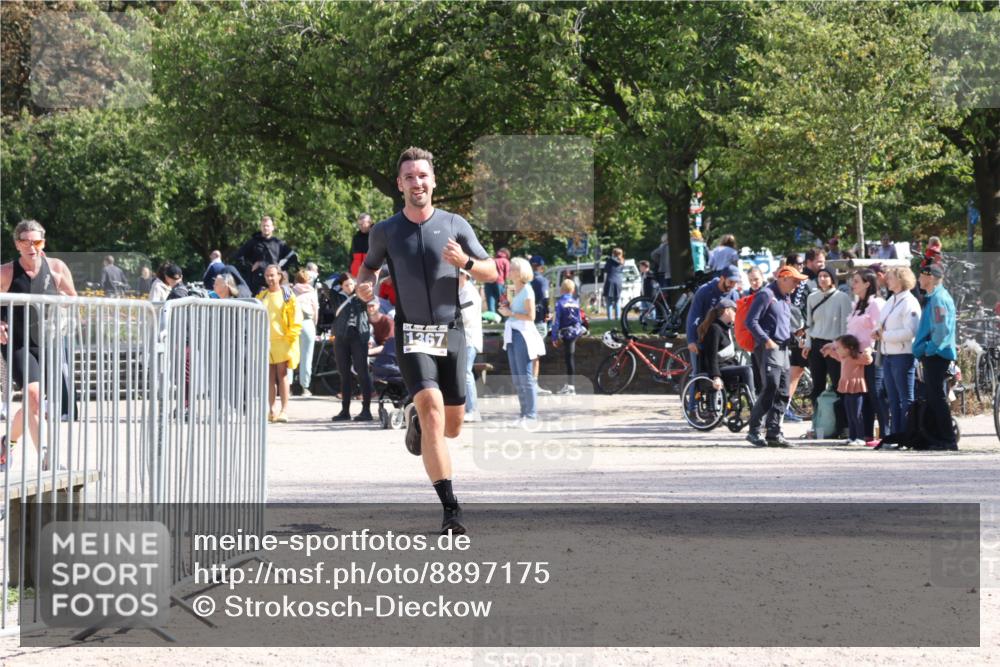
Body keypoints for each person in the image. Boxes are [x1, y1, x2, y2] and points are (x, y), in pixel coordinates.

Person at [356, 146, 498, 535]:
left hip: (451, 331)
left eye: (422, 175)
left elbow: (491, 272)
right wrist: (365, 287)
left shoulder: (455, 224)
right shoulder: (386, 231)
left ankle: (416, 419)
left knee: (452, 427)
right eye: (409, 177)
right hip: (412, 333)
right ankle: (451, 509)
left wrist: (466, 263)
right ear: (400, 184)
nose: (417, 182)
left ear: (433, 181)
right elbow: (368, 270)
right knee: (434, 411)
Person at [0, 220, 77, 471]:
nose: (31, 247)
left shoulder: (56, 268)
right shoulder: (6, 272)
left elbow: (73, 298)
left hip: (47, 342)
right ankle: (47, 458)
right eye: (25, 242)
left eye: (37, 241)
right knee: (33, 396)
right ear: (17, 244)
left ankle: (7, 442)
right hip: (17, 343)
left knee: (33, 403)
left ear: (43, 242)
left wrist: (62, 304)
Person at [744, 264, 808, 447]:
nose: (797, 285)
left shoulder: (785, 297)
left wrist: (794, 337)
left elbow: (780, 324)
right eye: (795, 281)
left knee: (783, 392)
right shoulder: (766, 294)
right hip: (769, 349)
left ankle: (773, 433)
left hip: (783, 348)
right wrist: (766, 340)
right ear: (784, 278)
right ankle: (754, 431)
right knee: (770, 388)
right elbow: (751, 321)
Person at [912, 264, 957, 450]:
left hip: (936, 356)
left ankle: (948, 440)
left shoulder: (938, 299)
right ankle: (937, 437)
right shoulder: (934, 297)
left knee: (937, 398)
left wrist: (928, 349)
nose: (918, 279)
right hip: (934, 354)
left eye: (921, 276)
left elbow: (941, 330)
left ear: (929, 277)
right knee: (933, 397)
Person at [803, 268, 852, 438]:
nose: (822, 279)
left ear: (832, 278)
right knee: (817, 385)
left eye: (826, 276)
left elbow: (845, 325)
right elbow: (809, 323)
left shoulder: (842, 297)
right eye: (820, 276)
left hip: (834, 344)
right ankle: (818, 424)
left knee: (838, 384)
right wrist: (808, 343)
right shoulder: (812, 297)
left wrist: (840, 346)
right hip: (816, 343)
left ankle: (843, 426)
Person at [839, 271, 887, 442]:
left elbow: (879, 328)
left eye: (857, 281)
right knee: (864, 395)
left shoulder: (876, 303)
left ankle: (886, 434)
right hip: (856, 357)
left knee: (876, 394)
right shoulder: (857, 304)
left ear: (867, 284)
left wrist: (871, 347)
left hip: (871, 355)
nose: (853, 284)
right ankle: (866, 434)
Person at [873, 266, 921, 438]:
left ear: (901, 280)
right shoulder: (891, 300)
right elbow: (883, 323)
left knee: (905, 398)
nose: (887, 280)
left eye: (891, 277)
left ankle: (908, 434)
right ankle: (896, 435)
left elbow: (911, 331)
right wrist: (877, 331)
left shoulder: (909, 302)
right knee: (893, 399)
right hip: (888, 355)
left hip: (903, 355)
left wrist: (884, 336)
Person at [500, 257, 546, 425]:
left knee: (525, 376)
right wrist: (504, 308)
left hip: (523, 334)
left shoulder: (527, 290)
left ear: (521, 273)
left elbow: (531, 316)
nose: (510, 271)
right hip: (511, 332)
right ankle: (523, 414)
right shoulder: (511, 288)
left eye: (513, 269)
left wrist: (510, 313)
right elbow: (509, 308)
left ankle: (531, 415)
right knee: (517, 378)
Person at [257, 264, 301, 424]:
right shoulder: (262, 295)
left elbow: (296, 316)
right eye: (267, 275)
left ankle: (284, 409)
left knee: (282, 374)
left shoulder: (287, 294)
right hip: (266, 340)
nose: (270, 278)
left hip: (283, 339)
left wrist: (291, 337)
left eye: (272, 275)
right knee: (269, 376)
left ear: (279, 276)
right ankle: (271, 409)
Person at [685, 265, 742, 380]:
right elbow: (693, 316)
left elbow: (738, 318)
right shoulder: (704, 291)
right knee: (698, 374)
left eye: (735, 283)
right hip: (702, 339)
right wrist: (691, 340)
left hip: (723, 343)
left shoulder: (734, 294)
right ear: (722, 278)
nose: (732, 285)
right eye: (730, 281)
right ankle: (693, 392)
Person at [330, 273, 374, 422]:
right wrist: (340, 280)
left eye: (351, 284)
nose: (349, 287)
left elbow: (371, 300)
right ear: (341, 286)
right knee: (344, 373)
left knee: (362, 372)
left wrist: (359, 287)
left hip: (359, 335)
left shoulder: (361, 295)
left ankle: (366, 410)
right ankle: (345, 410)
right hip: (341, 336)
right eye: (346, 285)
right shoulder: (336, 297)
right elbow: (331, 286)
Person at [697, 299, 756, 399]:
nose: (736, 314)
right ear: (727, 310)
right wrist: (716, 377)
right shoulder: (715, 328)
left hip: (728, 365)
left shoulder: (726, 329)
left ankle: (759, 397)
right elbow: (711, 355)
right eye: (735, 311)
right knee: (747, 370)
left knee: (755, 368)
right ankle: (753, 401)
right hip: (719, 368)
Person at [826, 334, 874, 446]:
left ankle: (860, 437)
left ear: (849, 348)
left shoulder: (856, 357)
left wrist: (868, 351)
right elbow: (835, 355)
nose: (836, 350)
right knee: (850, 414)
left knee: (857, 414)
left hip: (856, 389)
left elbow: (868, 360)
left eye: (838, 348)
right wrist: (829, 350)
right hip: (848, 389)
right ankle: (852, 437)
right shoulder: (843, 357)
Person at [234, 216, 297, 296]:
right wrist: (249, 267)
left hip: (274, 281)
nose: (265, 228)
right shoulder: (253, 242)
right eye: (263, 226)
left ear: (272, 228)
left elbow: (293, 257)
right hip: (258, 283)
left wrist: (281, 268)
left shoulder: (278, 243)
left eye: (268, 226)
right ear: (260, 227)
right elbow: (239, 256)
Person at [784, 253, 812, 424]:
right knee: (795, 370)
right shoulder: (785, 283)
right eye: (798, 264)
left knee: (797, 370)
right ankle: (784, 408)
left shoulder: (805, 284)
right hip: (795, 334)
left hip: (804, 332)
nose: (801, 267)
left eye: (802, 264)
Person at [551, 279, 586, 396]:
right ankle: (570, 385)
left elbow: (556, 322)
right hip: (575, 332)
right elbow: (579, 319)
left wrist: (554, 337)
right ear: (573, 290)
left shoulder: (559, 303)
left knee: (569, 359)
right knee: (570, 358)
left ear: (561, 290)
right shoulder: (576, 302)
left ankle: (571, 387)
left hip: (567, 333)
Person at [459, 269, 483, 422]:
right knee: (463, 373)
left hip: (469, 339)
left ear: (464, 275)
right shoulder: (462, 291)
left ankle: (473, 410)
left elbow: (466, 316)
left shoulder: (469, 292)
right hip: (463, 339)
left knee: (466, 373)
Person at [292, 269, 319, 396]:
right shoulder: (312, 292)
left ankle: (288, 386)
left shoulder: (291, 291)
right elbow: (315, 310)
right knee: (307, 357)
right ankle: (305, 387)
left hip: (293, 324)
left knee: (291, 355)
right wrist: (314, 324)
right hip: (307, 323)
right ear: (308, 280)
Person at [529, 255, 551, 394]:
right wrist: (548, 312)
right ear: (541, 267)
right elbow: (545, 297)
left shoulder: (520, 281)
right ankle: (533, 384)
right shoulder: (542, 281)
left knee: (524, 353)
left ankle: (525, 383)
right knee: (535, 353)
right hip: (538, 319)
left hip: (521, 320)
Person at [483, 248, 510, 314]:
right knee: (502, 301)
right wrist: (505, 282)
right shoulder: (505, 261)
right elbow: (507, 274)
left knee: (490, 301)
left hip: (488, 282)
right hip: (499, 282)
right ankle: (504, 316)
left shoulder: (491, 260)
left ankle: (492, 317)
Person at [601, 248, 625, 321]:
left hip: (610, 281)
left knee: (609, 301)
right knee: (617, 301)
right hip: (619, 282)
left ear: (613, 253)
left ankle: (610, 318)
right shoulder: (622, 261)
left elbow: (606, 270)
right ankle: (617, 317)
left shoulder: (609, 260)